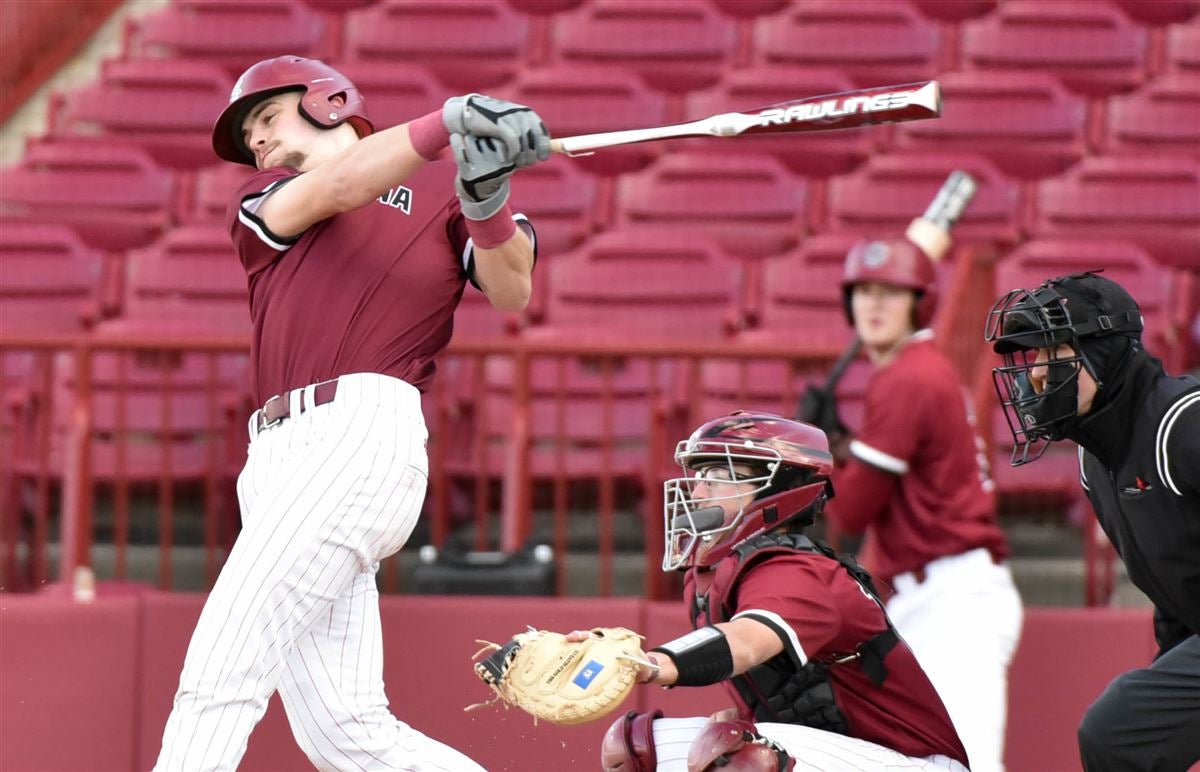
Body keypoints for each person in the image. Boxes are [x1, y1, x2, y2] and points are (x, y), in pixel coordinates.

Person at [154, 55, 549, 771]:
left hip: (356, 430)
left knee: (223, 665)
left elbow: (512, 288)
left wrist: (486, 200)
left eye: (268, 118)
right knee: (346, 731)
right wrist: (445, 124)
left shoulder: (441, 191)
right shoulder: (268, 192)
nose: (259, 143)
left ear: (328, 102)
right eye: (251, 134)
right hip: (277, 456)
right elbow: (342, 183)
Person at [589, 411, 970, 772]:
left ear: (774, 489)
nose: (699, 490)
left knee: (740, 757)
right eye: (700, 473)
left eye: (718, 473)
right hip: (842, 754)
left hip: (910, 761)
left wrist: (646, 663)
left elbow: (748, 642)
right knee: (638, 746)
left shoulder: (797, 569)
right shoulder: (715, 573)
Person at [808, 238, 1023, 772]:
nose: (874, 305)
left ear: (918, 303)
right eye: (863, 292)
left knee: (967, 763)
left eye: (890, 292)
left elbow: (850, 514)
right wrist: (841, 446)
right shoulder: (921, 369)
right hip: (932, 592)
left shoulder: (905, 377)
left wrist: (816, 456)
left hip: (954, 599)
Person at [985, 270, 1200, 772]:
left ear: (1102, 355)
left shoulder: (1183, 423)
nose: (1035, 374)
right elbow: (1176, 582)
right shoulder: (1095, 462)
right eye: (1031, 357)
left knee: (1118, 729)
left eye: (1050, 352)